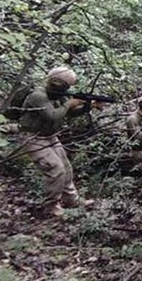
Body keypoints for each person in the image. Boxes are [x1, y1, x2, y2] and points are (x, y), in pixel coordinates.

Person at [18, 66, 94, 217]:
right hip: (33, 137)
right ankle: (52, 206)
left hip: (50, 136)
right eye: (63, 85)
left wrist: (88, 106)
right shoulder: (38, 96)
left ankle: (72, 200)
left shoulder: (59, 96)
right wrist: (69, 104)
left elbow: (70, 113)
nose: (65, 89)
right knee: (55, 169)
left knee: (66, 167)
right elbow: (52, 116)